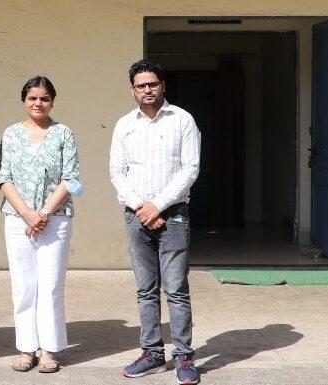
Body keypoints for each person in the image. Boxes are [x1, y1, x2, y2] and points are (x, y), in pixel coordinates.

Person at [109, 59, 201, 385]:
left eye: (152, 84)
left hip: (173, 215)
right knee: (145, 290)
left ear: (163, 85)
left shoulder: (183, 120)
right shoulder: (124, 125)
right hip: (136, 216)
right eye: (140, 85)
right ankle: (151, 353)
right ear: (132, 89)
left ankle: (184, 357)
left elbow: (190, 169)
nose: (147, 90)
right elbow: (117, 172)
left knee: (176, 289)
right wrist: (140, 207)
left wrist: (158, 206)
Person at [0, 76, 82, 374]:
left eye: (44, 98)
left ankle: (48, 350)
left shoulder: (63, 133)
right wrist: (27, 215)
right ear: (24, 100)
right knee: (23, 286)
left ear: (52, 101)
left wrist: (43, 213)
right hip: (17, 218)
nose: (38, 103)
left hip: (55, 221)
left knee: (50, 286)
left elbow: (70, 179)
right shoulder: (11, 134)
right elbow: (4, 178)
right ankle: (25, 348)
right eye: (33, 98)